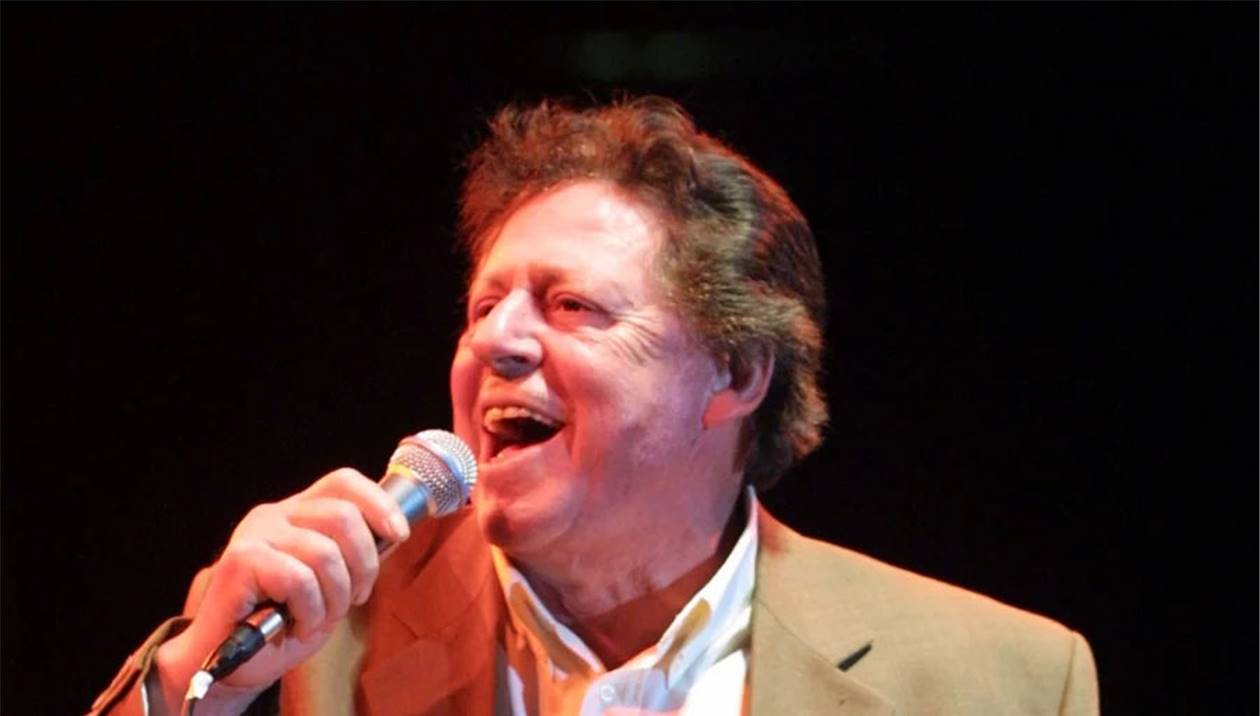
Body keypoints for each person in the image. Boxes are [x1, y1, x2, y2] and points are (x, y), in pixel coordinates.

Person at [91, 97, 1098, 716]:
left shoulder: (1000, 682)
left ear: (735, 375)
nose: (497, 340)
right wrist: (196, 687)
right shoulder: (310, 637)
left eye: (571, 305)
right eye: (483, 306)